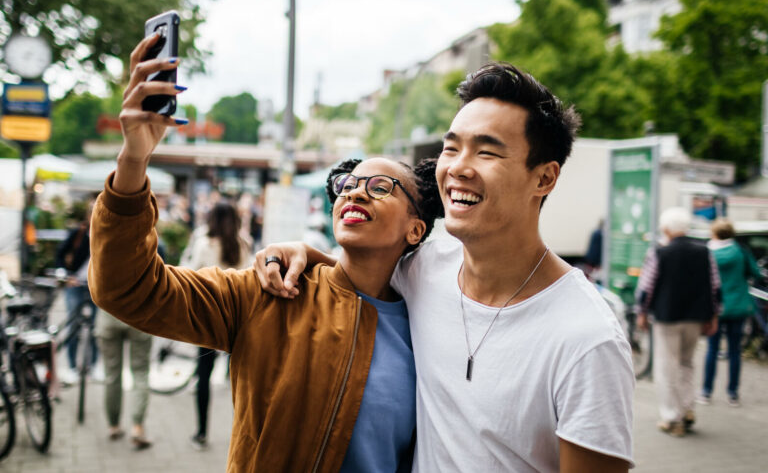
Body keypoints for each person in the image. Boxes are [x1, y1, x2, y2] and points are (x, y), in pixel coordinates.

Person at [88, 32, 443, 471]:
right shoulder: (268, 294)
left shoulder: (431, 325)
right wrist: (133, 159)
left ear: (415, 229)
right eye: (347, 186)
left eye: (380, 187)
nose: (355, 193)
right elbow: (127, 288)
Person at [256, 63, 635, 472]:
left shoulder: (588, 339)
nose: (457, 168)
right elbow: (360, 273)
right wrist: (304, 254)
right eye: (452, 148)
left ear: (544, 178)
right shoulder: (425, 268)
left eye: (487, 151)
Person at [636, 207, 721, 437]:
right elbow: (715, 287)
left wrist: (641, 312)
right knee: (687, 363)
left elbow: (647, 287)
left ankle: (672, 418)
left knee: (666, 367)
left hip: (667, 317)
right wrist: (713, 316)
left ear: (666, 229)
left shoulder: (659, 253)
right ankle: (688, 409)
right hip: (695, 317)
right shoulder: (705, 252)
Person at [179, 201, 252, 450]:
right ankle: (241, 432)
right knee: (240, 380)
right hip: (237, 319)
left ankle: (201, 432)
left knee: (203, 376)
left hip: (208, 320)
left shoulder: (204, 243)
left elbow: (190, 277)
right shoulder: (243, 245)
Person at [697, 218, 762, 407]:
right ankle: (733, 393)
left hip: (715, 308)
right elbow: (756, 273)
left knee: (712, 349)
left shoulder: (707, 253)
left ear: (714, 233)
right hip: (739, 306)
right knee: (735, 350)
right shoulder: (741, 252)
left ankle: (706, 392)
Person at [55, 200, 99, 384]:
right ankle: (73, 366)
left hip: (96, 288)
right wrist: (65, 274)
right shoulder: (79, 234)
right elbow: (59, 254)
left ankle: (94, 366)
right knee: (73, 326)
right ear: (88, 216)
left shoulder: (108, 237)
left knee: (96, 328)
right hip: (76, 285)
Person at [96, 310, 154, 449]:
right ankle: (137, 427)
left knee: (111, 375)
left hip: (109, 316)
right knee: (140, 373)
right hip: (140, 316)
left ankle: (114, 426)